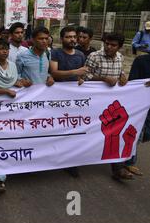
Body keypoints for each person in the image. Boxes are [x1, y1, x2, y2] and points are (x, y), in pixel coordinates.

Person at [0, 38, 31, 193]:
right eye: (1, 49)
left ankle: (8, 170)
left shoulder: (13, 65)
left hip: (11, 113)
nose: (4, 51)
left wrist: (21, 83)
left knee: (10, 140)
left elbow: (14, 81)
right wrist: (6, 91)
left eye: (6, 48)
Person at [80, 33, 130, 180]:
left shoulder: (120, 57)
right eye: (107, 43)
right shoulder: (95, 56)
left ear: (119, 47)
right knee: (87, 132)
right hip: (93, 103)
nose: (108, 47)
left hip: (111, 104)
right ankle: (73, 162)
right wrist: (103, 79)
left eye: (113, 45)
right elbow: (83, 76)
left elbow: (120, 73)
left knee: (114, 133)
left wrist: (123, 78)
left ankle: (118, 168)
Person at [49, 26, 88, 178]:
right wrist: (75, 73)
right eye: (68, 37)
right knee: (57, 130)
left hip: (75, 101)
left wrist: (81, 79)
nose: (72, 39)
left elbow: (82, 76)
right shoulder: (55, 53)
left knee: (73, 132)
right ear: (61, 39)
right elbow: (55, 73)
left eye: (74, 37)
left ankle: (71, 163)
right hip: (58, 99)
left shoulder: (80, 55)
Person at [123, 53, 150, 176]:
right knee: (136, 132)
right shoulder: (141, 60)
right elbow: (133, 82)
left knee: (146, 134)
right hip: (141, 104)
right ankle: (129, 162)